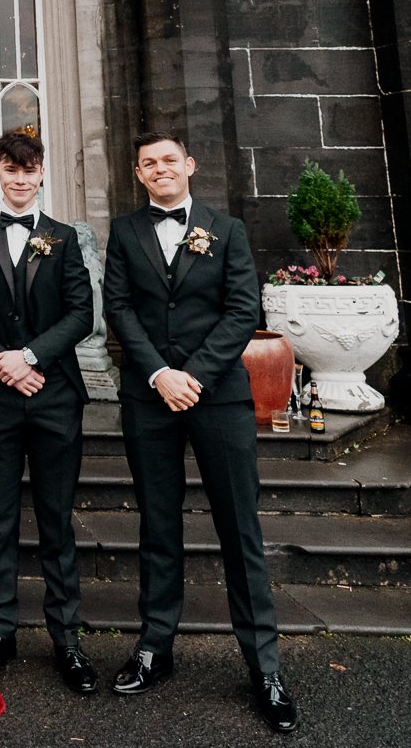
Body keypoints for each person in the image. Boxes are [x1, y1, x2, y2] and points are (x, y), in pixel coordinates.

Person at [102, 131, 298, 733]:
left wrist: (193, 375)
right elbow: (119, 308)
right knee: (157, 525)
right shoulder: (124, 232)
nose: (160, 169)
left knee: (240, 528)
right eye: (148, 164)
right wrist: (161, 374)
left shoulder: (227, 229)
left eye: (169, 160)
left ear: (188, 165)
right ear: (138, 174)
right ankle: (154, 647)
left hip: (218, 399)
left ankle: (263, 666)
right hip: (149, 396)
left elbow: (244, 308)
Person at [0, 131, 98, 695]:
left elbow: (82, 312)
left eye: (28, 169)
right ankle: (0, 630)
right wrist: (1, 360)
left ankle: (67, 638)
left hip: (55, 395)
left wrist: (32, 356)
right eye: (10, 169)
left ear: (41, 174)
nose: (18, 178)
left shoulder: (64, 237)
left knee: (57, 521)